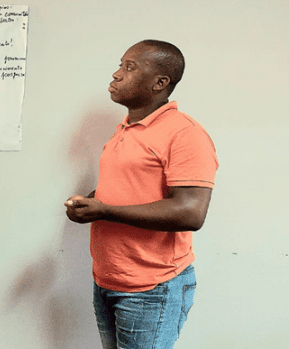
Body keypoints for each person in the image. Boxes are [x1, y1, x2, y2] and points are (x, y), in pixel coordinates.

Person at [64, 40, 218, 349]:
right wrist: (90, 202)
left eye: (130, 67)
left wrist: (104, 210)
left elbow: (190, 212)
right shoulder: (124, 129)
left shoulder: (185, 133)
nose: (117, 74)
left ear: (160, 83)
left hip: (151, 288)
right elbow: (128, 189)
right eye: (120, 65)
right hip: (108, 280)